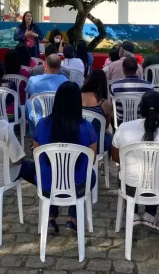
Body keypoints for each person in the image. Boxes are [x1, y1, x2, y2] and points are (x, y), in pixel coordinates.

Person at [32, 82, 97, 233]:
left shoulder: (42, 124)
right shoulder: (87, 127)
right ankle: (72, 219)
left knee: (50, 172)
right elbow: (92, 159)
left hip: (46, 184)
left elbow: (36, 153)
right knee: (88, 175)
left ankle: (50, 218)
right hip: (77, 187)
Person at [112, 90, 159, 229]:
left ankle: (134, 213)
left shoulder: (124, 128)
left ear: (140, 108)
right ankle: (150, 214)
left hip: (130, 187)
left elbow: (115, 157)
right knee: (158, 172)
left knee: (128, 170)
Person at [26, 54, 69, 126]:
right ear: (60, 67)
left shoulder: (33, 80)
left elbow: (29, 92)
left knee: (28, 102)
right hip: (59, 117)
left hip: (39, 119)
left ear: (45, 65)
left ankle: (35, 132)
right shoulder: (65, 81)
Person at [110, 57, 153, 125]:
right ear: (137, 68)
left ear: (123, 69)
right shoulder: (149, 86)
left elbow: (112, 105)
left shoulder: (114, 86)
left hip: (121, 123)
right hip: (141, 124)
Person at [82, 70, 113, 154]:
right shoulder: (106, 104)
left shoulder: (76, 97)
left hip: (78, 141)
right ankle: (105, 165)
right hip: (99, 143)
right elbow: (105, 126)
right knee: (110, 137)